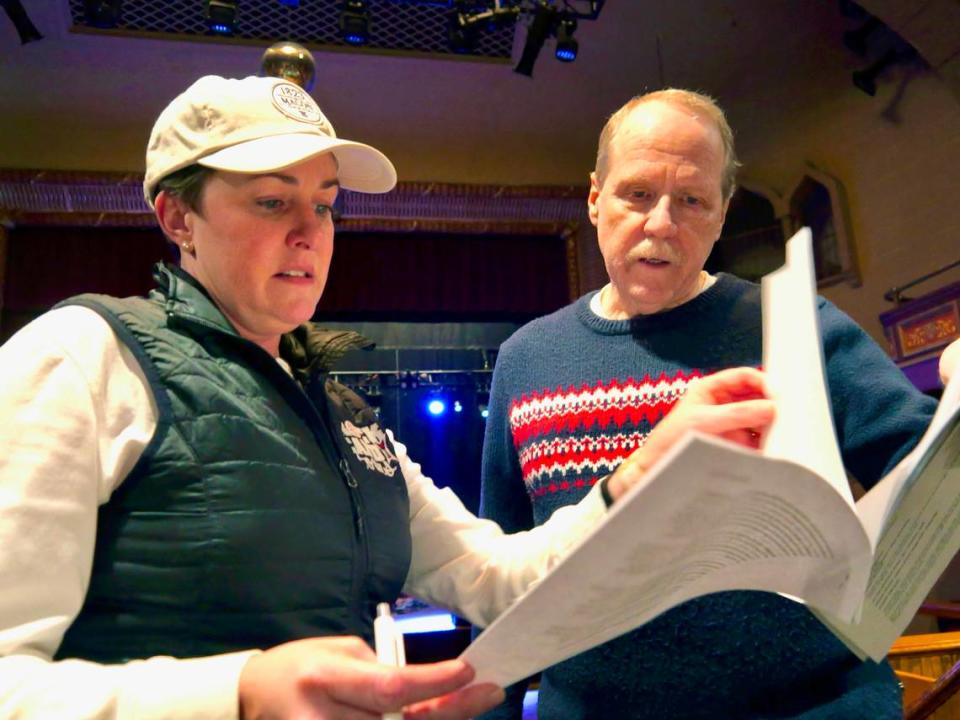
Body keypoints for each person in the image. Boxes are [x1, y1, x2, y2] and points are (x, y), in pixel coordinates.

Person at [0, 76, 777, 719]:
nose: (311, 231)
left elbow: (500, 576)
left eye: (327, 203)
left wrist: (635, 478)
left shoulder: (346, 418)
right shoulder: (82, 357)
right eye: (273, 202)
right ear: (178, 217)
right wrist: (237, 692)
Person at [478, 88, 941, 720]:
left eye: (691, 200)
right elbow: (500, 572)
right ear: (595, 199)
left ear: (721, 215)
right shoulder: (526, 357)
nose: (662, 223)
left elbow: (931, 468)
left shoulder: (796, 326)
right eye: (637, 194)